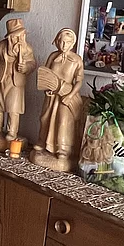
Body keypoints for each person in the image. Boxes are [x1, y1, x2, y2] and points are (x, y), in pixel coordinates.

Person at [33, 28, 84, 160]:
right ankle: (42, 142)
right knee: (45, 118)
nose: (64, 45)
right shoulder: (52, 56)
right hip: (52, 95)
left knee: (63, 120)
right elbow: (45, 74)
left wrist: (70, 96)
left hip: (66, 95)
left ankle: (63, 148)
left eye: (67, 42)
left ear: (72, 43)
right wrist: (47, 89)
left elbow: (79, 81)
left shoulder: (77, 60)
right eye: (61, 41)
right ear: (57, 42)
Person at [0, 18, 36, 140]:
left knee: (13, 108)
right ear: (9, 37)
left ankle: (12, 131)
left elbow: (32, 63)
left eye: (21, 36)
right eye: (15, 36)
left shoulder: (27, 49)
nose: (18, 39)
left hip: (16, 82)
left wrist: (26, 67)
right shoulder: (1, 46)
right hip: (1, 79)